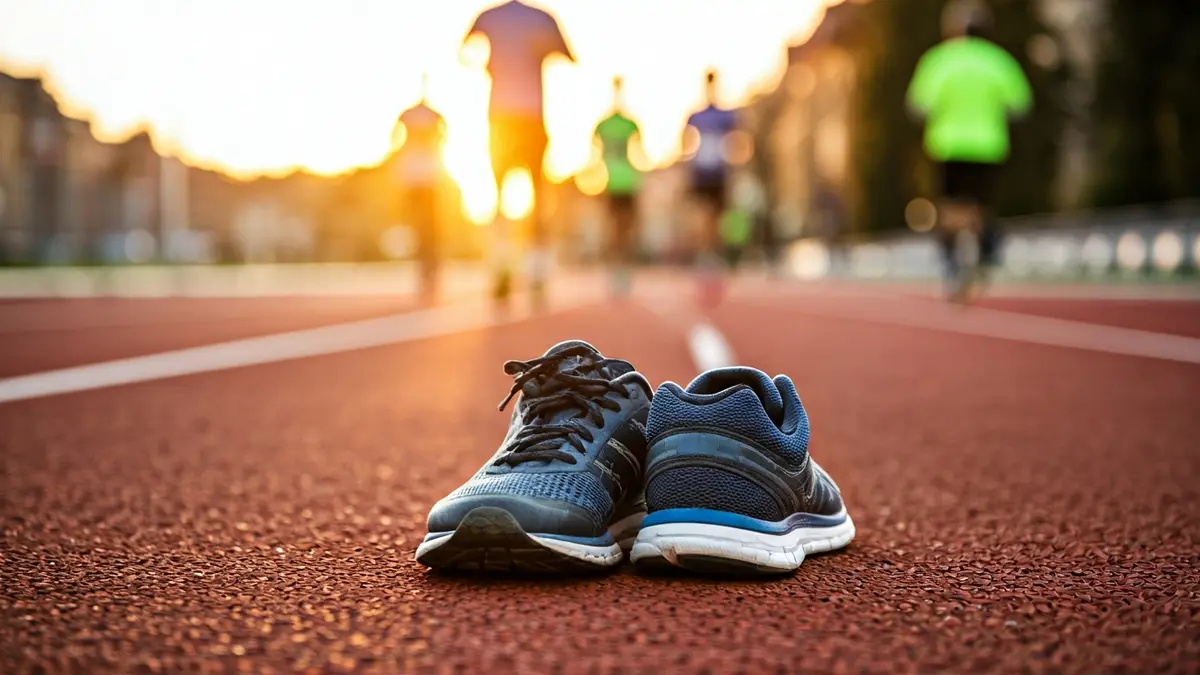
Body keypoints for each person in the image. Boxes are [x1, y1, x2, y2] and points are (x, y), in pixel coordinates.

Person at [906, 0, 1032, 299]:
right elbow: (1021, 106)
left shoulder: (939, 60)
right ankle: (986, 242)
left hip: (949, 145)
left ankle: (952, 262)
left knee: (950, 207)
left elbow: (917, 106)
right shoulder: (998, 61)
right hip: (988, 145)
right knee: (980, 205)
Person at [463, 0, 574, 307]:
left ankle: (510, 272)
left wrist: (487, 64)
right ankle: (525, 273)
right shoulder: (540, 18)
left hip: (505, 117)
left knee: (511, 198)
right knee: (531, 199)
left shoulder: (491, 16)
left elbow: (463, 54)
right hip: (520, 119)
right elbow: (569, 56)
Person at [684, 69, 738, 307]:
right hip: (701, 173)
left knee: (717, 220)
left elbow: (737, 141)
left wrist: (735, 165)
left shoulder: (726, 116)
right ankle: (706, 260)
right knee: (704, 218)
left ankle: (713, 260)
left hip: (719, 173)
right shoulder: (697, 116)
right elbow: (685, 140)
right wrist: (688, 164)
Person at [391, 74, 446, 304]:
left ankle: (429, 271)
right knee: (424, 229)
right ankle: (426, 271)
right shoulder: (426, 115)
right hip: (421, 177)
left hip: (423, 177)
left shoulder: (413, 115)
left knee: (426, 229)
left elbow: (394, 139)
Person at [593, 76, 644, 297]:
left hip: (625, 182)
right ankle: (617, 271)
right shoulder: (605, 125)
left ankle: (620, 271)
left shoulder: (626, 124)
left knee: (622, 230)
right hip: (615, 183)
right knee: (616, 230)